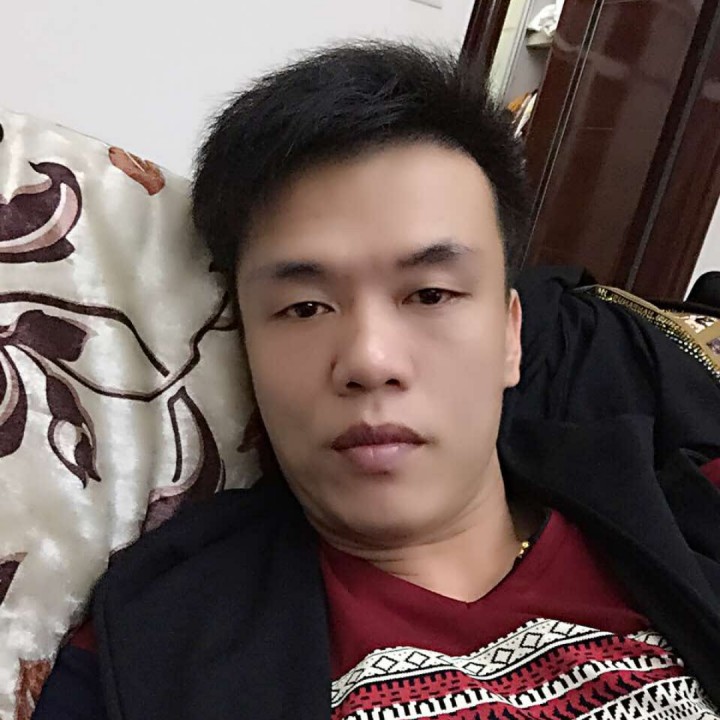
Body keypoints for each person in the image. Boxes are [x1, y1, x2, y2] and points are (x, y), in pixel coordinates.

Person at [35, 42, 720, 719]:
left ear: (511, 335)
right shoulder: (150, 651)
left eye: (430, 294)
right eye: (305, 308)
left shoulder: (679, 513)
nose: (369, 359)